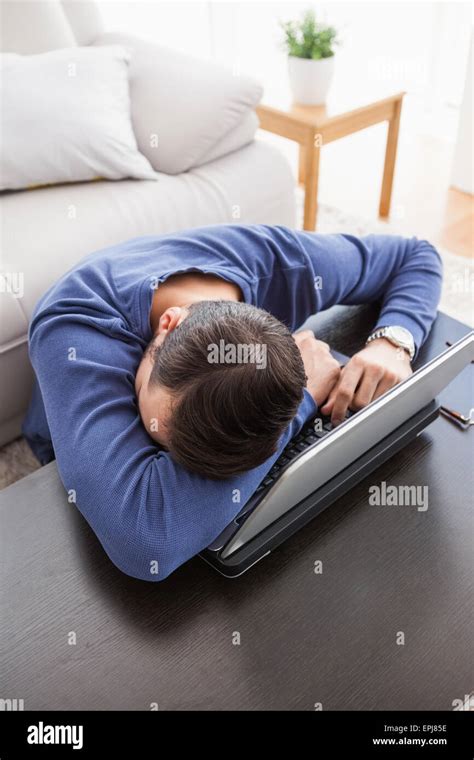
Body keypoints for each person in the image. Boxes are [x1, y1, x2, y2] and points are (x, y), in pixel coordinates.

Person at [23, 225, 442, 581]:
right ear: (170, 324)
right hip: (59, 455)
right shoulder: (76, 328)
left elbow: (415, 256)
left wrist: (394, 341)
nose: (164, 454)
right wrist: (305, 398)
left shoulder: (284, 264)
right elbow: (145, 541)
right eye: (161, 436)